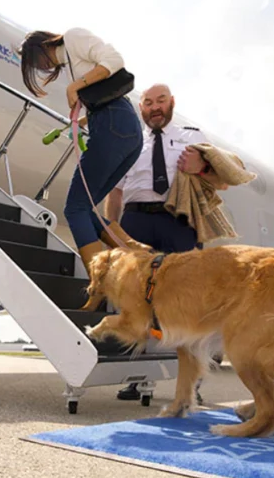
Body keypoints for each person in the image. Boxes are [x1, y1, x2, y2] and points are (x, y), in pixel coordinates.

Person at [105, 83, 226, 401]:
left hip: (179, 222)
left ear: (171, 103)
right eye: (148, 102)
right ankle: (134, 377)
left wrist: (200, 167)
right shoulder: (128, 141)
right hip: (135, 221)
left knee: (187, 302)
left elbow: (222, 178)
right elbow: (114, 191)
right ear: (141, 107)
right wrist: (114, 234)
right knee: (135, 301)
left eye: (160, 101)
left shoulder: (192, 134)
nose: (154, 107)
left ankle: (191, 382)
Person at [17, 28, 146, 288]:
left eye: (35, 61)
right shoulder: (71, 63)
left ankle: (99, 284)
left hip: (113, 124)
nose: (40, 67)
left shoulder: (73, 37)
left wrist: (76, 86)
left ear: (42, 46)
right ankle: (143, 257)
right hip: (125, 129)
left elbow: (114, 60)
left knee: (74, 208)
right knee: (87, 211)